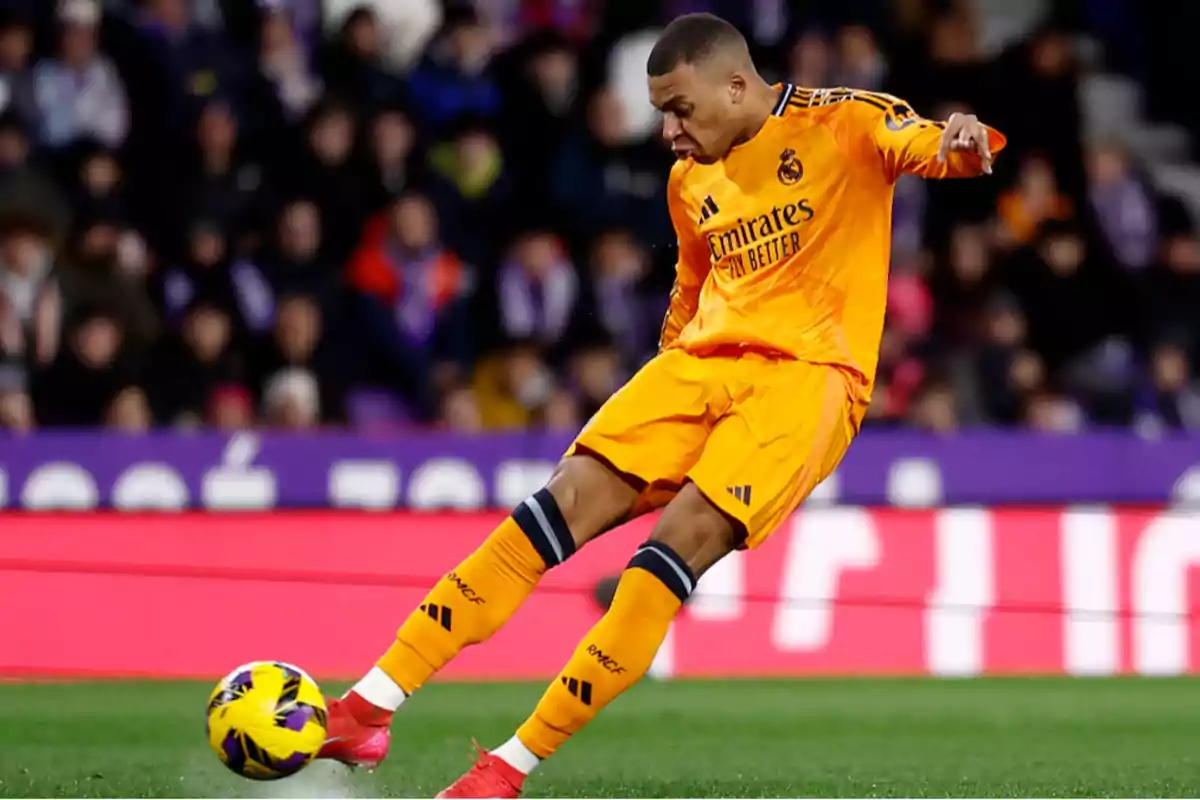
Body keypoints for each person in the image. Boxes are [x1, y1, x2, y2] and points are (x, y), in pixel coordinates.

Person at [318, 13, 1005, 798]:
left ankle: (503, 771)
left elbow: (923, 143)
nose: (670, 131)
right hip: (696, 365)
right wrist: (670, 362)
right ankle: (367, 708)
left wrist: (958, 138)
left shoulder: (845, 120)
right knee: (552, 508)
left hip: (806, 379)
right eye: (660, 114)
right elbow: (691, 283)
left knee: (668, 553)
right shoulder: (689, 181)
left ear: (737, 86)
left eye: (680, 109)